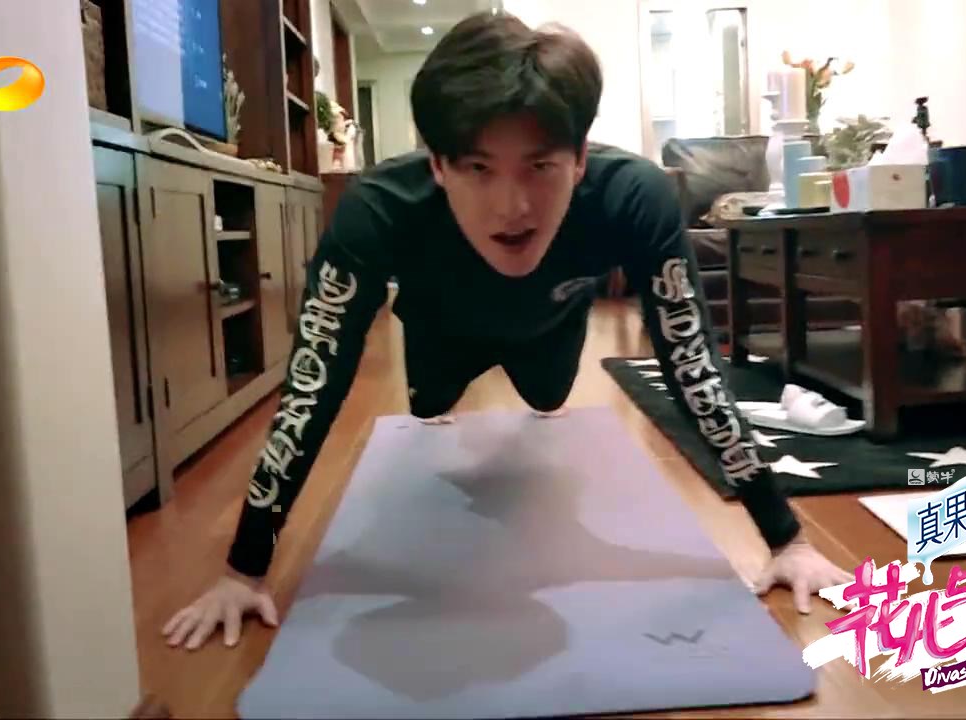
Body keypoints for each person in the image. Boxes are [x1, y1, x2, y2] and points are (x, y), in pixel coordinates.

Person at [162, 11, 851, 651]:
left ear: (579, 158)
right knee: (429, 408)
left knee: (548, 398)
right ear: (437, 164)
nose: (512, 206)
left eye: (541, 166)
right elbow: (312, 391)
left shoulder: (633, 197)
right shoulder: (378, 209)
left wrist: (785, 539)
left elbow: (693, 368)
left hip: (550, 324)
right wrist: (244, 569)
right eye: (477, 168)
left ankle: (538, 358)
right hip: (439, 329)